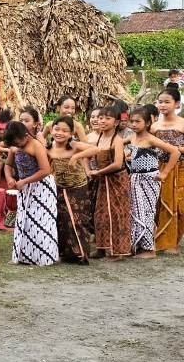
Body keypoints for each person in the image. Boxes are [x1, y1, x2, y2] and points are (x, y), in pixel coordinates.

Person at [3, 121, 58, 266]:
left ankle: (42, 257)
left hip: (42, 187)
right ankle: (23, 256)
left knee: (41, 222)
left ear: (26, 135)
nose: (18, 146)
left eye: (19, 142)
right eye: (15, 144)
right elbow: (8, 165)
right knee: (24, 221)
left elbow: (45, 170)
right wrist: (10, 178)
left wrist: (25, 181)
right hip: (24, 188)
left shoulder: (36, 145)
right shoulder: (14, 147)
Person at [126, 108, 178, 258]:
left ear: (147, 123)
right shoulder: (132, 138)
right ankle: (137, 246)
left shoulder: (151, 139)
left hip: (150, 179)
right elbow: (117, 145)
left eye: (138, 121)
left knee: (147, 213)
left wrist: (165, 173)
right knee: (136, 212)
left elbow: (175, 152)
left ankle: (149, 249)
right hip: (135, 178)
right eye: (132, 121)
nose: (134, 124)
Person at [47, 116, 94, 265]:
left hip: (77, 187)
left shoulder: (74, 145)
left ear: (71, 133)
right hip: (59, 188)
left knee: (78, 221)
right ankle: (64, 254)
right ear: (51, 130)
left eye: (64, 131)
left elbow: (95, 149)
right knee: (61, 221)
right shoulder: (47, 148)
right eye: (57, 129)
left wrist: (77, 157)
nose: (60, 133)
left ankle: (80, 253)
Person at [91, 106, 132, 260]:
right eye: (101, 117)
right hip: (102, 181)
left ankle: (119, 250)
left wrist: (99, 172)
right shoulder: (98, 138)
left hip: (117, 180)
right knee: (100, 214)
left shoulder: (118, 139)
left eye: (107, 118)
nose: (102, 121)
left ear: (115, 122)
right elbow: (87, 156)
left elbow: (117, 163)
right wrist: (89, 170)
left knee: (118, 213)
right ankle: (101, 248)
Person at [150, 88, 184, 255]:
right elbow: (147, 145)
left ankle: (174, 241)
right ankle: (164, 241)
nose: (162, 105)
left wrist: (178, 149)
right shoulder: (154, 126)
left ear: (177, 104)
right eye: (160, 102)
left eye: (167, 102)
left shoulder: (182, 123)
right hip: (159, 168)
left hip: (180, 169)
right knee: (161, 204)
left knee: (179, 205)